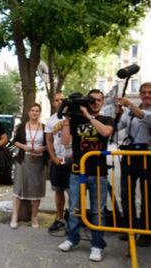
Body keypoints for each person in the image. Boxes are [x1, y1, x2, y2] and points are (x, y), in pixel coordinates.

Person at [58, 89, 114, 262]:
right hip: (77, 171)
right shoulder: (76, 119)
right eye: (92, 100)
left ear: (103, 102)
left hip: (98, 173)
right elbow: (66, 141)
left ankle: (97, 245)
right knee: (75, 208)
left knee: (98, 211)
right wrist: (67, 118)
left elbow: (105, 132)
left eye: (99, 100)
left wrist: (88, 115)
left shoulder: (106, 119)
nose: (95, 102)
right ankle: (72, 238)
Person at [116, 82, 151, 246]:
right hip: (130, 154)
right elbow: (118, 126)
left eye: (150, 92)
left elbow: (145, 117)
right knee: (126, 192)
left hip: (147, 156)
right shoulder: (130, 112)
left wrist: (128, 104)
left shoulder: (138, 110)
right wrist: (117, 115)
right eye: (143, 92)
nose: (146, 95)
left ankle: (146, 231)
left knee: (147, 195)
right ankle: (129, 227)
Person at [10, 103, 46, 229]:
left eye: (37, 110)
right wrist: (24, 146)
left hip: (38, 161)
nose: (34, 113)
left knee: (37, 189)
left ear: (39, 113)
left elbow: (49, 144)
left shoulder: (44, 127)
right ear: (29, 113)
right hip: (23, 160)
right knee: (19, 187)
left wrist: (42, 148)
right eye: (32, 110)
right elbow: (15, 141)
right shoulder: (21, 127)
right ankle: (15, 216)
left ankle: (34, 217)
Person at [45, 93, 72, 233]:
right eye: (57, 100)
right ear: (54, 103)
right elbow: (49, 140)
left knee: (72, 192)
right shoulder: (51, 120)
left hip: (72, 160)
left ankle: (73, 221)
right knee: (58, 190)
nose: (60, 102)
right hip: (58, 159)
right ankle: (60, 218)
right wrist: (53, 158)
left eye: (62, 99)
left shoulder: (75, 117)